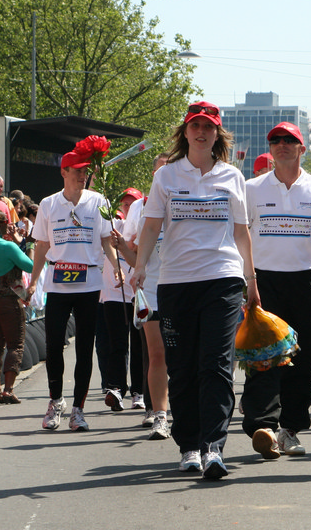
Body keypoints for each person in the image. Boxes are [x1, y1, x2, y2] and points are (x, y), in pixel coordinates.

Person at [130, 101, 259, 479]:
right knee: (183, 368)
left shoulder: (232, 176)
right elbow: (151, 226)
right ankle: (188, 445)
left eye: (208, 127)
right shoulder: (166, 176)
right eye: (195, 126)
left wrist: (252, 280)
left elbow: (241, 232)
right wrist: (140, 266)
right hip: (176, 283)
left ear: (217, 134)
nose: (202, 132)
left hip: (223, 280)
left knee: (216, 364)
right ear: (185, 132)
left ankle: (214, 447)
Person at [241, 121, 311, 460]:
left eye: (289, 140)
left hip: (305, 281)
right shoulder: (252, 188)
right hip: (264, 283)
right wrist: (248, 280)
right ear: (271, 149)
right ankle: (263, 425)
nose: (282, 145)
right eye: (275, 140)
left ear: (302, 148)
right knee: (263, 357)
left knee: (301, 361)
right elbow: (241, 235)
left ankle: (289, 429)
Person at [27, 139, 120, 432]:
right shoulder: (48, 204)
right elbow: (42, 245)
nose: (82, 175)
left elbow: (106, 240)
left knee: (84, 347)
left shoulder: (99, 201)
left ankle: (78, 410)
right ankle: (56, 401)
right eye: (77, 171)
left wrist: (116, 266)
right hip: (57, 283)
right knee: (54, 345)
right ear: (64, 172)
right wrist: (33, 281)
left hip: (89, 283)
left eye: (85, 171)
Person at [116, 153, 171, 438]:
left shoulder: (188, 203)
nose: (164, 174)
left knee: (183, 356)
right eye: (159, 170)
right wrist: (120, 248)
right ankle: (158, 413)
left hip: (182, 288)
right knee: (156, 353)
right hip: (151, 292)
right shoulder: (143, 209)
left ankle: (185, 410)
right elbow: (136, 256)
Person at [0, 209, 34, 404]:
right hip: (9, 299)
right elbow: (30, 265)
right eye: (6, 222)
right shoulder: (8, 246)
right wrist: (27, 245)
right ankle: (8, 390)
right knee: (15, 344)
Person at [101, 188, 144, 412]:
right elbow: (105, 237)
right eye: (125, 204)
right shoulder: (114, 226)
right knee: (117, 344)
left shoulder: (145, 227)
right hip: (114, 294)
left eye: (132, 204)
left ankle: (139, 391)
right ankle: (116, 388)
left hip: (139, 294)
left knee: (139, 346)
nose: (128, 208)